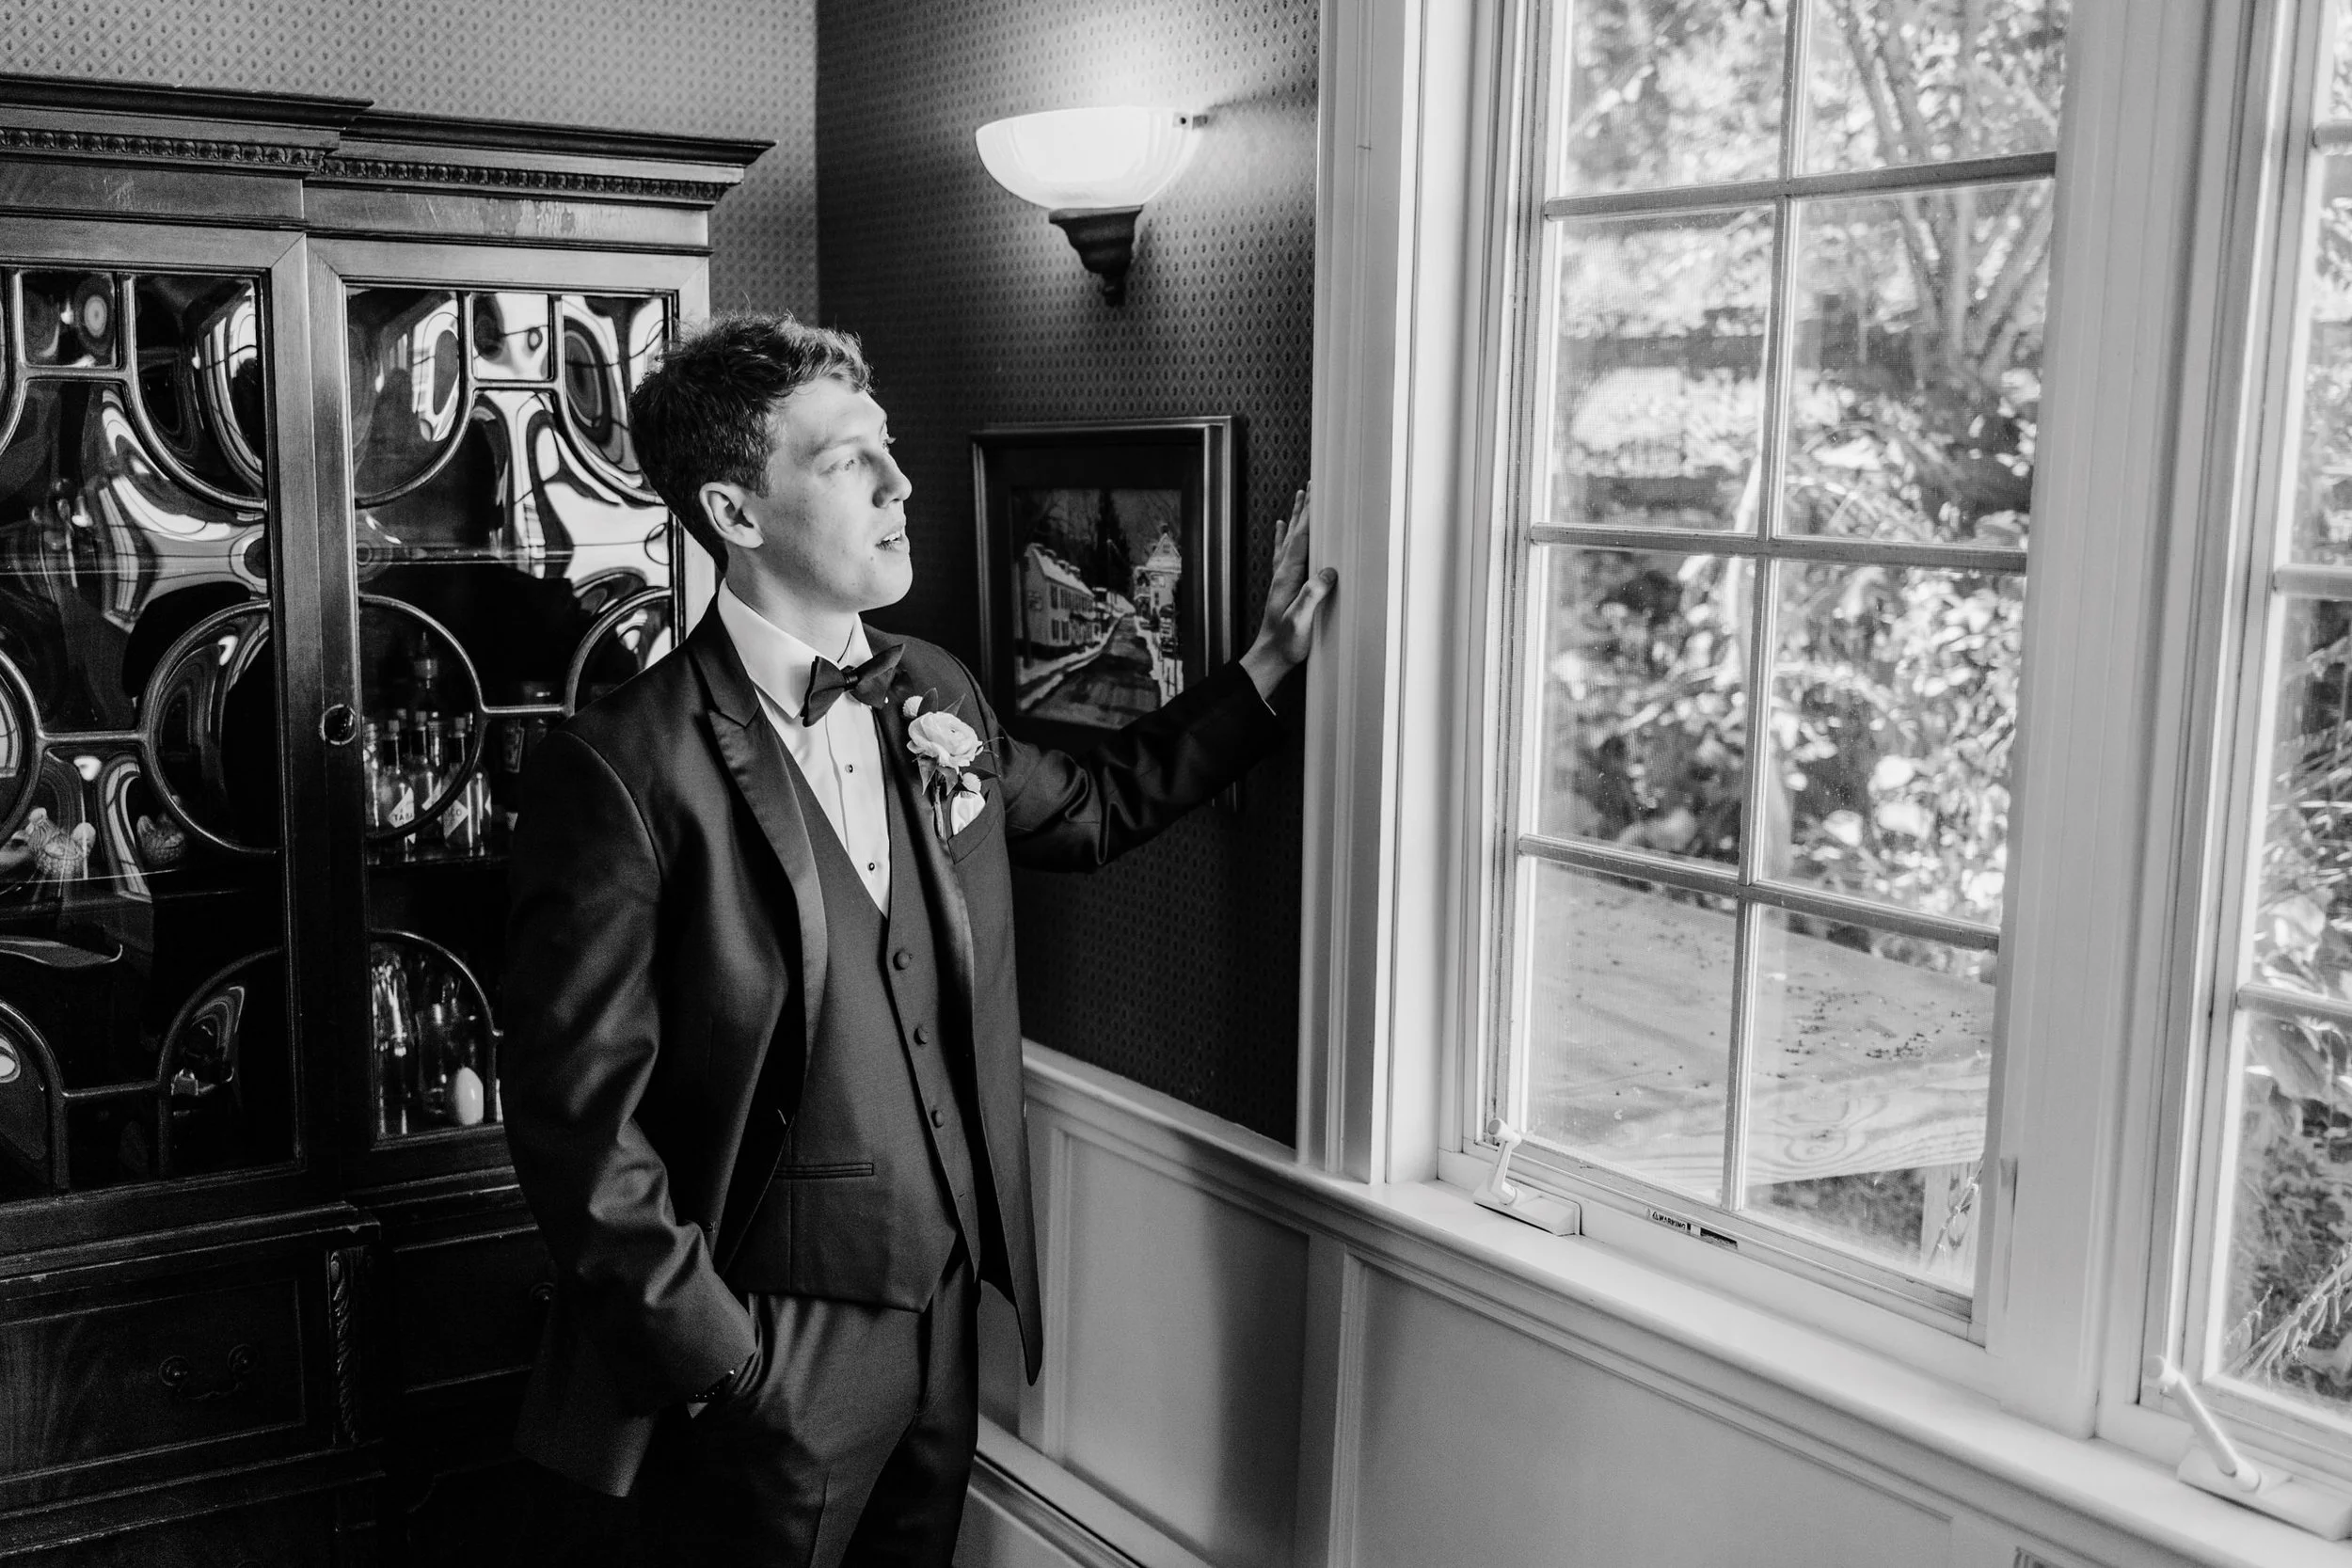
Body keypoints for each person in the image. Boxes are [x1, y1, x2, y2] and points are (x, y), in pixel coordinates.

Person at [501, 311, 1334, 1566]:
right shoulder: (621, 767)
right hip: (768, 1346)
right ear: (734, 510)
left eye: (886, 448)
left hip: (946, 1314)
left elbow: (1092, 806)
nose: (901, 485)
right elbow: (577, 1124)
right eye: (850, 461)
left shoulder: (933, 690)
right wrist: (722, 1365)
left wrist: (1267, 667)